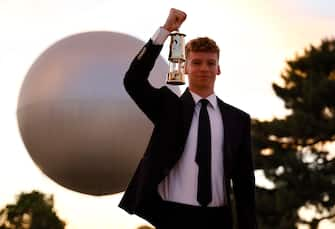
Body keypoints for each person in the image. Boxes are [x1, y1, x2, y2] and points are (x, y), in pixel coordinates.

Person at [119, 8, 257, 229]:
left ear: (218, 69)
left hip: (219, 220)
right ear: (185, 67)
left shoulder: (237, 119)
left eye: (210, 63)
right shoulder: (168, 108)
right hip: (172, 216)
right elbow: (133, 81)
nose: (204, 68)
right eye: (196, 62)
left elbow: (244, 183)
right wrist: (164, 31)